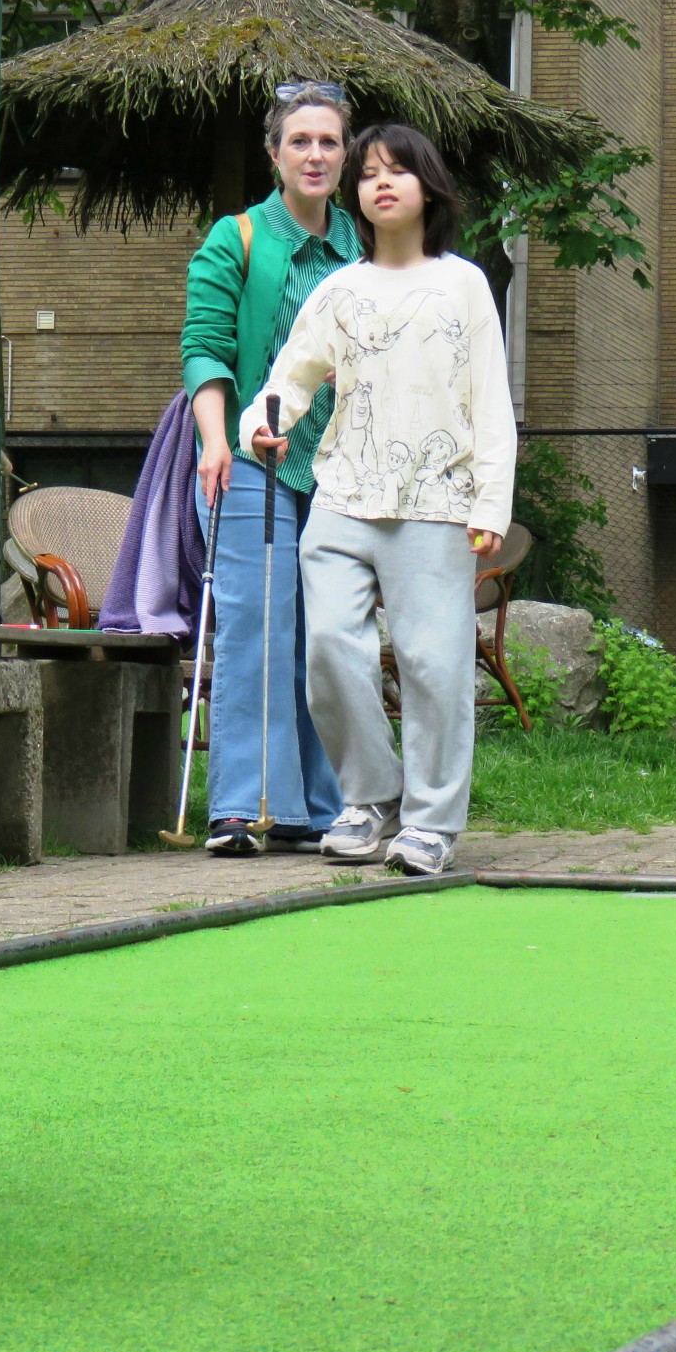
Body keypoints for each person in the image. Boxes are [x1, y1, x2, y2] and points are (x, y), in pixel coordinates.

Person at [242, 123, 517, 877]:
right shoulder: (339, 289)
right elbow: (287, 380)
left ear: (429, 186)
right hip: (342, 496)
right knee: (330, 650)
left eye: (398, 171)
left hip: (435, 503)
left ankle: (430, 822)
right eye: (368, 175)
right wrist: (263, 426)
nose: (381, 183)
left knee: (434, 665)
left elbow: (490, 399)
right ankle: (370, 800)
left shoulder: (463, 284)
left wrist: (490, 504)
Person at [177, 81, 358, 856]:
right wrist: (217, 443)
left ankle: (324, 808)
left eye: (329, 141)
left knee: (328, 635)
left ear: (345, 154)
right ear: (274, 153)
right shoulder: (239, 237)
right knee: (258, 625)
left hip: (344, 470)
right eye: (300, 142)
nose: (315, 155)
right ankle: (247, 807)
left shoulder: (365, 243)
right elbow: (206, 349)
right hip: (249, 460)